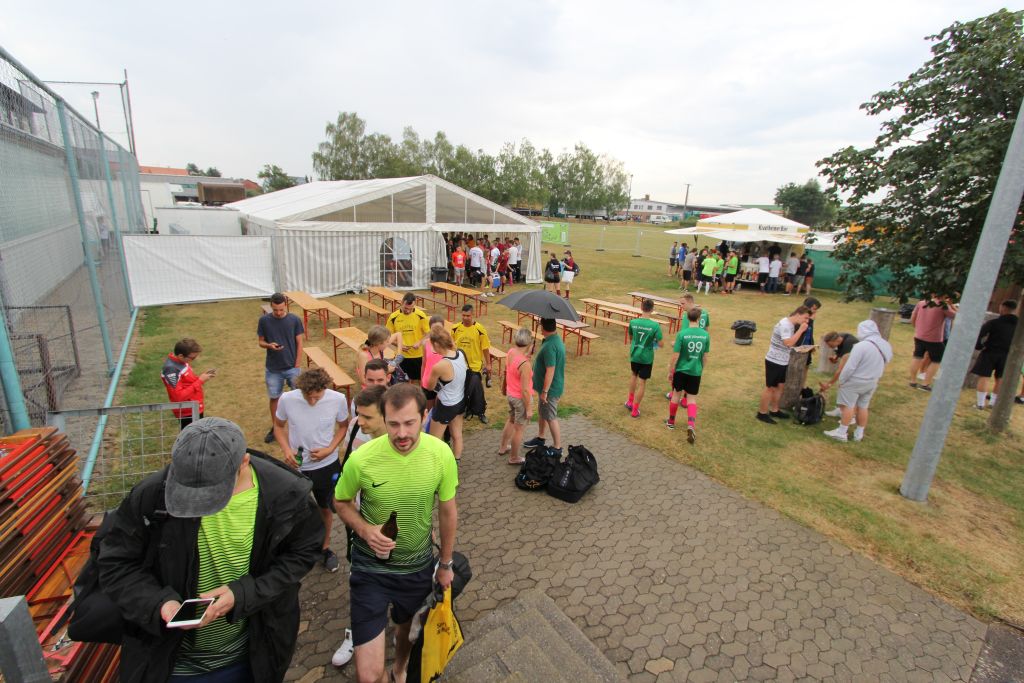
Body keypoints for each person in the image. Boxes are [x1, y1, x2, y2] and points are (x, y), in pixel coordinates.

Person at [98, 417, 324, 683]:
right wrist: (158, 603)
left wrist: (244, 594)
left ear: (244, 461)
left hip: (250, 658)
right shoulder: (152, 495)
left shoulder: (287, 495)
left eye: (212, 494)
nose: (198, 504)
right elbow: (117, 564)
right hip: (169, 662)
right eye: (188, 493)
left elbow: (302, 554)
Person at [333, 384, 458, 683]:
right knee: (368, 676)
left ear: (425, 416)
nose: (402, 433)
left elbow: (447, 511)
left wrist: (445, 564)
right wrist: (365, 530)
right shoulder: (362, 458)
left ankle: (400, 669)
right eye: (393, 424)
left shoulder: (441, 454)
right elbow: (340, 501)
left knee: (406, 631)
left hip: (416, 567)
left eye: (410, 423)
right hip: (370, 570)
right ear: (384, 419)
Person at [273, 368, 349, 573]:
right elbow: (278, 426)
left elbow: (343, 426)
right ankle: (296, 548)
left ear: (325, 389)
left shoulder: (338, 399)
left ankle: (324, 548)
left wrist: (330, 449)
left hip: (327, 465)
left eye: (317, 396)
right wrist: (286, 450)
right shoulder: (287, 399)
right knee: (295, 511)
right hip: (297, 468)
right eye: (308, 397)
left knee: (326, 508)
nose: (313, 401)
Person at [823, 320, 893, 442]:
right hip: (872, 380)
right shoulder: (885, 345)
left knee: (848, 406)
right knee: (863, 407)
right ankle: (859, 434)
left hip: (856, 380)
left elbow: (850, 367)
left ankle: (841, 432)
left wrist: (842, 381)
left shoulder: (861, 346)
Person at [258, 292, 304, 443]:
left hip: (292, 367)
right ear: (271, 306)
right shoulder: (264, 321)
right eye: (275, 310)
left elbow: (300, 343)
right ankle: (276, 427)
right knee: (274, 398)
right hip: (273, 368)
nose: (278, 313)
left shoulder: (294, 320)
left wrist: (297, 364)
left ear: (286, 305)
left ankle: (298, 426)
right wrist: (268, 345)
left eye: (281, 309)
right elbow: (261, 342)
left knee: (299, 397)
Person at [757, 306, 812, 424]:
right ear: (798, 314)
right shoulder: (785, 325)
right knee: (770, 388)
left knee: (780, 386)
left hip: (782, 360)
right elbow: (788, 343)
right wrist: (801, 330)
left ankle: (774, 410)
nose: (806, 321)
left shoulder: (791, 324)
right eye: (805, 318)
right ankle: (762, 413)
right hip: (774, 360)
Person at [666, 308, 711, 444]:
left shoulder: (682, 334)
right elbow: (705, 357)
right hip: (695, 371)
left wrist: (671, 370)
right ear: (699, 319)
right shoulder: (705, 335)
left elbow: (676, 355)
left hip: (681, 370)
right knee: (691, 399)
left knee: (676, 395)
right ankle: (691, 425)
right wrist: (701, 369)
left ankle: (671, 422)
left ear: (687, 318)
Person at [523, 318, 567, 454]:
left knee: (551, 417)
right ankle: (541, 437)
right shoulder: (553, 340)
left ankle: (557, 447)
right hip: (547, 388)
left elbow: (550, 369)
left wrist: (545, 391)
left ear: (543, 327)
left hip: (550, 390)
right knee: (543, 412)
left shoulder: (550, 346)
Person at [426, 328, 468, 461]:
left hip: (446, 406)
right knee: (457, 435)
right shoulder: (460, 353)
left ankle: (436, 466)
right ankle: (455, 462)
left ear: (436, 344)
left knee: (434, 441)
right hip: (460, 401)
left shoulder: (440, 366)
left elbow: (429, 387)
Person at [971, 299, 1018, 409]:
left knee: (984, 376)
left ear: (1003, 307)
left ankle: (980, 404)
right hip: (1008, 354)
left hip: (990, 352)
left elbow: (980, 334)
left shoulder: (994, 322)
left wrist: (979, 346)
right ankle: (993, 403)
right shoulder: (1019, 325)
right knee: (1001, 378)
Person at [498, 328, 534, 465]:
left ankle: (503, 447)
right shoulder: (525, 364)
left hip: (511, 395)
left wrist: (527, 356)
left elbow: (508, 371)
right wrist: (529, 408)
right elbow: (525, 390)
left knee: (511, 420)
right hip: (520, 399)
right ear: (529, 343)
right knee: (519, 429)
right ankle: (514, 457)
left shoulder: (511, 352)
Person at [161, 338, 215, 430]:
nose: (194, 360)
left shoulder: (181, 362)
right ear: (181, 356)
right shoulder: (171, 370)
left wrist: (202, 377)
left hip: (194, 408)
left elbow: (187, 382)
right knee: (193, 436)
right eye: (192, 358)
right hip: (187, 412)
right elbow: (178, 397)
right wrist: (200, 381)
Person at [908, 294, 957, 391]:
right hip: (934, 339)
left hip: (919, 336)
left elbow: (913, 316)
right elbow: (955, 316)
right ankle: (925, 384)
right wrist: (952, 306)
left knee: (917, 357)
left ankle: (912, 381)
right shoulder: (943, 305)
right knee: (937, 361)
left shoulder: (921, 303)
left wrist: (917, 329)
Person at [452, 304, 491, 423]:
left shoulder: (479, 329)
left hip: (474, 366)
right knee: (463, 390)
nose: (465, 318)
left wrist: (488, 364)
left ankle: (481, 412)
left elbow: (485, 348)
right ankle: (467, 410)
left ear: (472, 315)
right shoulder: (455, 328)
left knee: (476, 389)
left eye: (468, 316)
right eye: (463, 315)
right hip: (460, 365)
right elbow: (451, 346)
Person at [625, 299, 664, 419]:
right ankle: (635, 410)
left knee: (633, 375)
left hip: (635, 354)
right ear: (652, 309)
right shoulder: (655, 325)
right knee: (642, 382)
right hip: (646, 357)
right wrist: (653, 343)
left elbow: (631, 337)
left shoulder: (633, 322)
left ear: (641, 307)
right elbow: (661, 344)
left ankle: (630, 401)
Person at [386, 293, 431, 385]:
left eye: (411, 308)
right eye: (406, 308)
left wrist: (420, 342)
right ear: (401, 302)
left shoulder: (421, 315)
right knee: (403, 381)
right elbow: (387, 337)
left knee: (419, 380)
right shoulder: (393, 317)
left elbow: (429, 333)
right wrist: (399, 345)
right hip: (401, 356)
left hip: (418, 355)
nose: (408, 311)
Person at [819, 330, 859, 417]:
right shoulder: (840, 338)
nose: (829, 347)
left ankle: (849, 414)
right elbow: (839, 350)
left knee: (847, 387)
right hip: (853, 364)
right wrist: (836, 358)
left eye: (830, 345)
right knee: (842, 385)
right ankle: (841, 409)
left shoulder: (849, 345)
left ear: (835, 340)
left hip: (859, 369)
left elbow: (840, 370)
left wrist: (829, 384)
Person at [420, 315, 447, 411]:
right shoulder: (426, 343)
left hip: (443, 382)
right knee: (429, 410)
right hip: (428, 382)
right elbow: (424, 363)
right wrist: (422, 380)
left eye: (439, 328)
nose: (437, 332)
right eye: (434, 329)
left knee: (440, 410)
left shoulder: (448, 344)